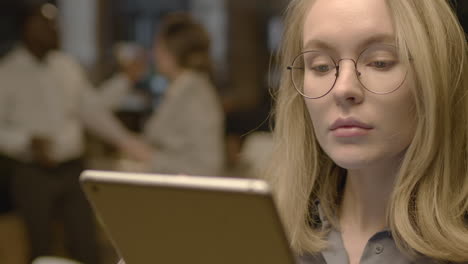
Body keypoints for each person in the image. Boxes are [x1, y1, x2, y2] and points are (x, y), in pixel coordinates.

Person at [263, 0, 468, 263]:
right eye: (322, 66)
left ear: (436, 76)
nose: (343, 88)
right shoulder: (272, 236)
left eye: (380, 62)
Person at [0, 2, 153, 263]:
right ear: (27, 28)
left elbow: (93, 110)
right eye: (45, 24)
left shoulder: (66, 66)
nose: (54, 29)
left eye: (55, 23)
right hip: (32, 173)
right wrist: (26, 141)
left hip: (73, 170)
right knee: (41, 246)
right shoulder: (8, 72)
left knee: (86, 243)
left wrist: (125, 82)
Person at [142, 13, 225, 176]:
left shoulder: (196, 95)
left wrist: (149, 157)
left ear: (172, 52)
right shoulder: (179, 89)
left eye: (158, 47)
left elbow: (208, 165)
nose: (154, 54)